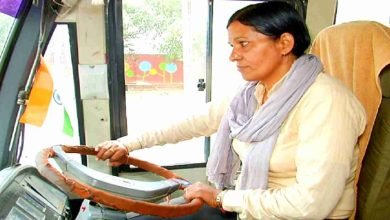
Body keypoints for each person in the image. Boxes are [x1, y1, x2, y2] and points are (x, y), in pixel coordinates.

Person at [95, 2, 366, 219]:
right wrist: (128, 144)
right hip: (247, 207)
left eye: (244, 44)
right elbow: (193, 122)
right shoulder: (252, 94)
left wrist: (223, 198)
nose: (233, 56)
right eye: (232, 46)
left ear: (284, 43)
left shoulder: (328, 102)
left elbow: (311, 204)